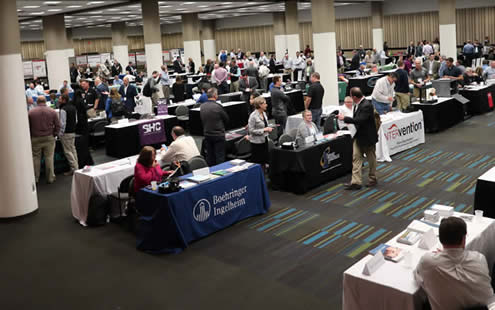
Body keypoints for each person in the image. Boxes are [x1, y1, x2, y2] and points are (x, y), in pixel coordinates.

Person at [414, 217, 495, 310]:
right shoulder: (479, 258)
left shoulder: (427, 262)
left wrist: (438, 258)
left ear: (440, 239)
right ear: (464, 239)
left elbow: (418, 278)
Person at [339, 87, 378, 190]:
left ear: (355, 97)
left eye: (351, 97)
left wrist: (345, 119)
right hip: (358, 136)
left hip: (368, 138)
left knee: (371, 159)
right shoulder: (358, 104)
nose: (350, 99)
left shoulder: (366, 105)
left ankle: (372, 178)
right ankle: (356, 182)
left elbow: (360, 120)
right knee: (356, 157)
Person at [28, 96, 61, 184]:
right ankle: (50, 178)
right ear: (46, 101)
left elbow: (28, 127)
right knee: (49, 158)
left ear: (37, 102)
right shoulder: (52, 111)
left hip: (35, 138)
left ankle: (35, 178)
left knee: (36, 158)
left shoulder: (31, 112)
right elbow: (58, 125)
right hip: (49, 137)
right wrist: (55, 134)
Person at [200, 88, 229, 166]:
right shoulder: (218, 106)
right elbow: (226, 119)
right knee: (220, 156)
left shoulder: (202, 106)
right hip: (218, 135)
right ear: (215, 95)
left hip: (207, 134)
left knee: (210, 156)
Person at [247, 97, 272, 169]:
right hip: (257, 143)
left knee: (265, 160)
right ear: (260, 105)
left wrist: (268, 128)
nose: (266, 105)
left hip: (265, 140)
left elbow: (265, 124)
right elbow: (251, 130)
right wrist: (264, 130)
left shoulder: (264, 113)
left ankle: (264, 176)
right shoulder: (253, 116)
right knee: (259, 163)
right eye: (265, 103)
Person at [58, 94, 78, 175]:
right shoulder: (73, 107)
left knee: (68, 152)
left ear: (63, 100)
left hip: (66, 133)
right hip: (73, 131)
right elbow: (76, 120)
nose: (58, 100)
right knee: (73, 150)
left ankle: (74, 169)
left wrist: (60, 133)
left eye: (60, 99)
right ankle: (76, 167)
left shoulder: (63, 109)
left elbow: (62, 123)